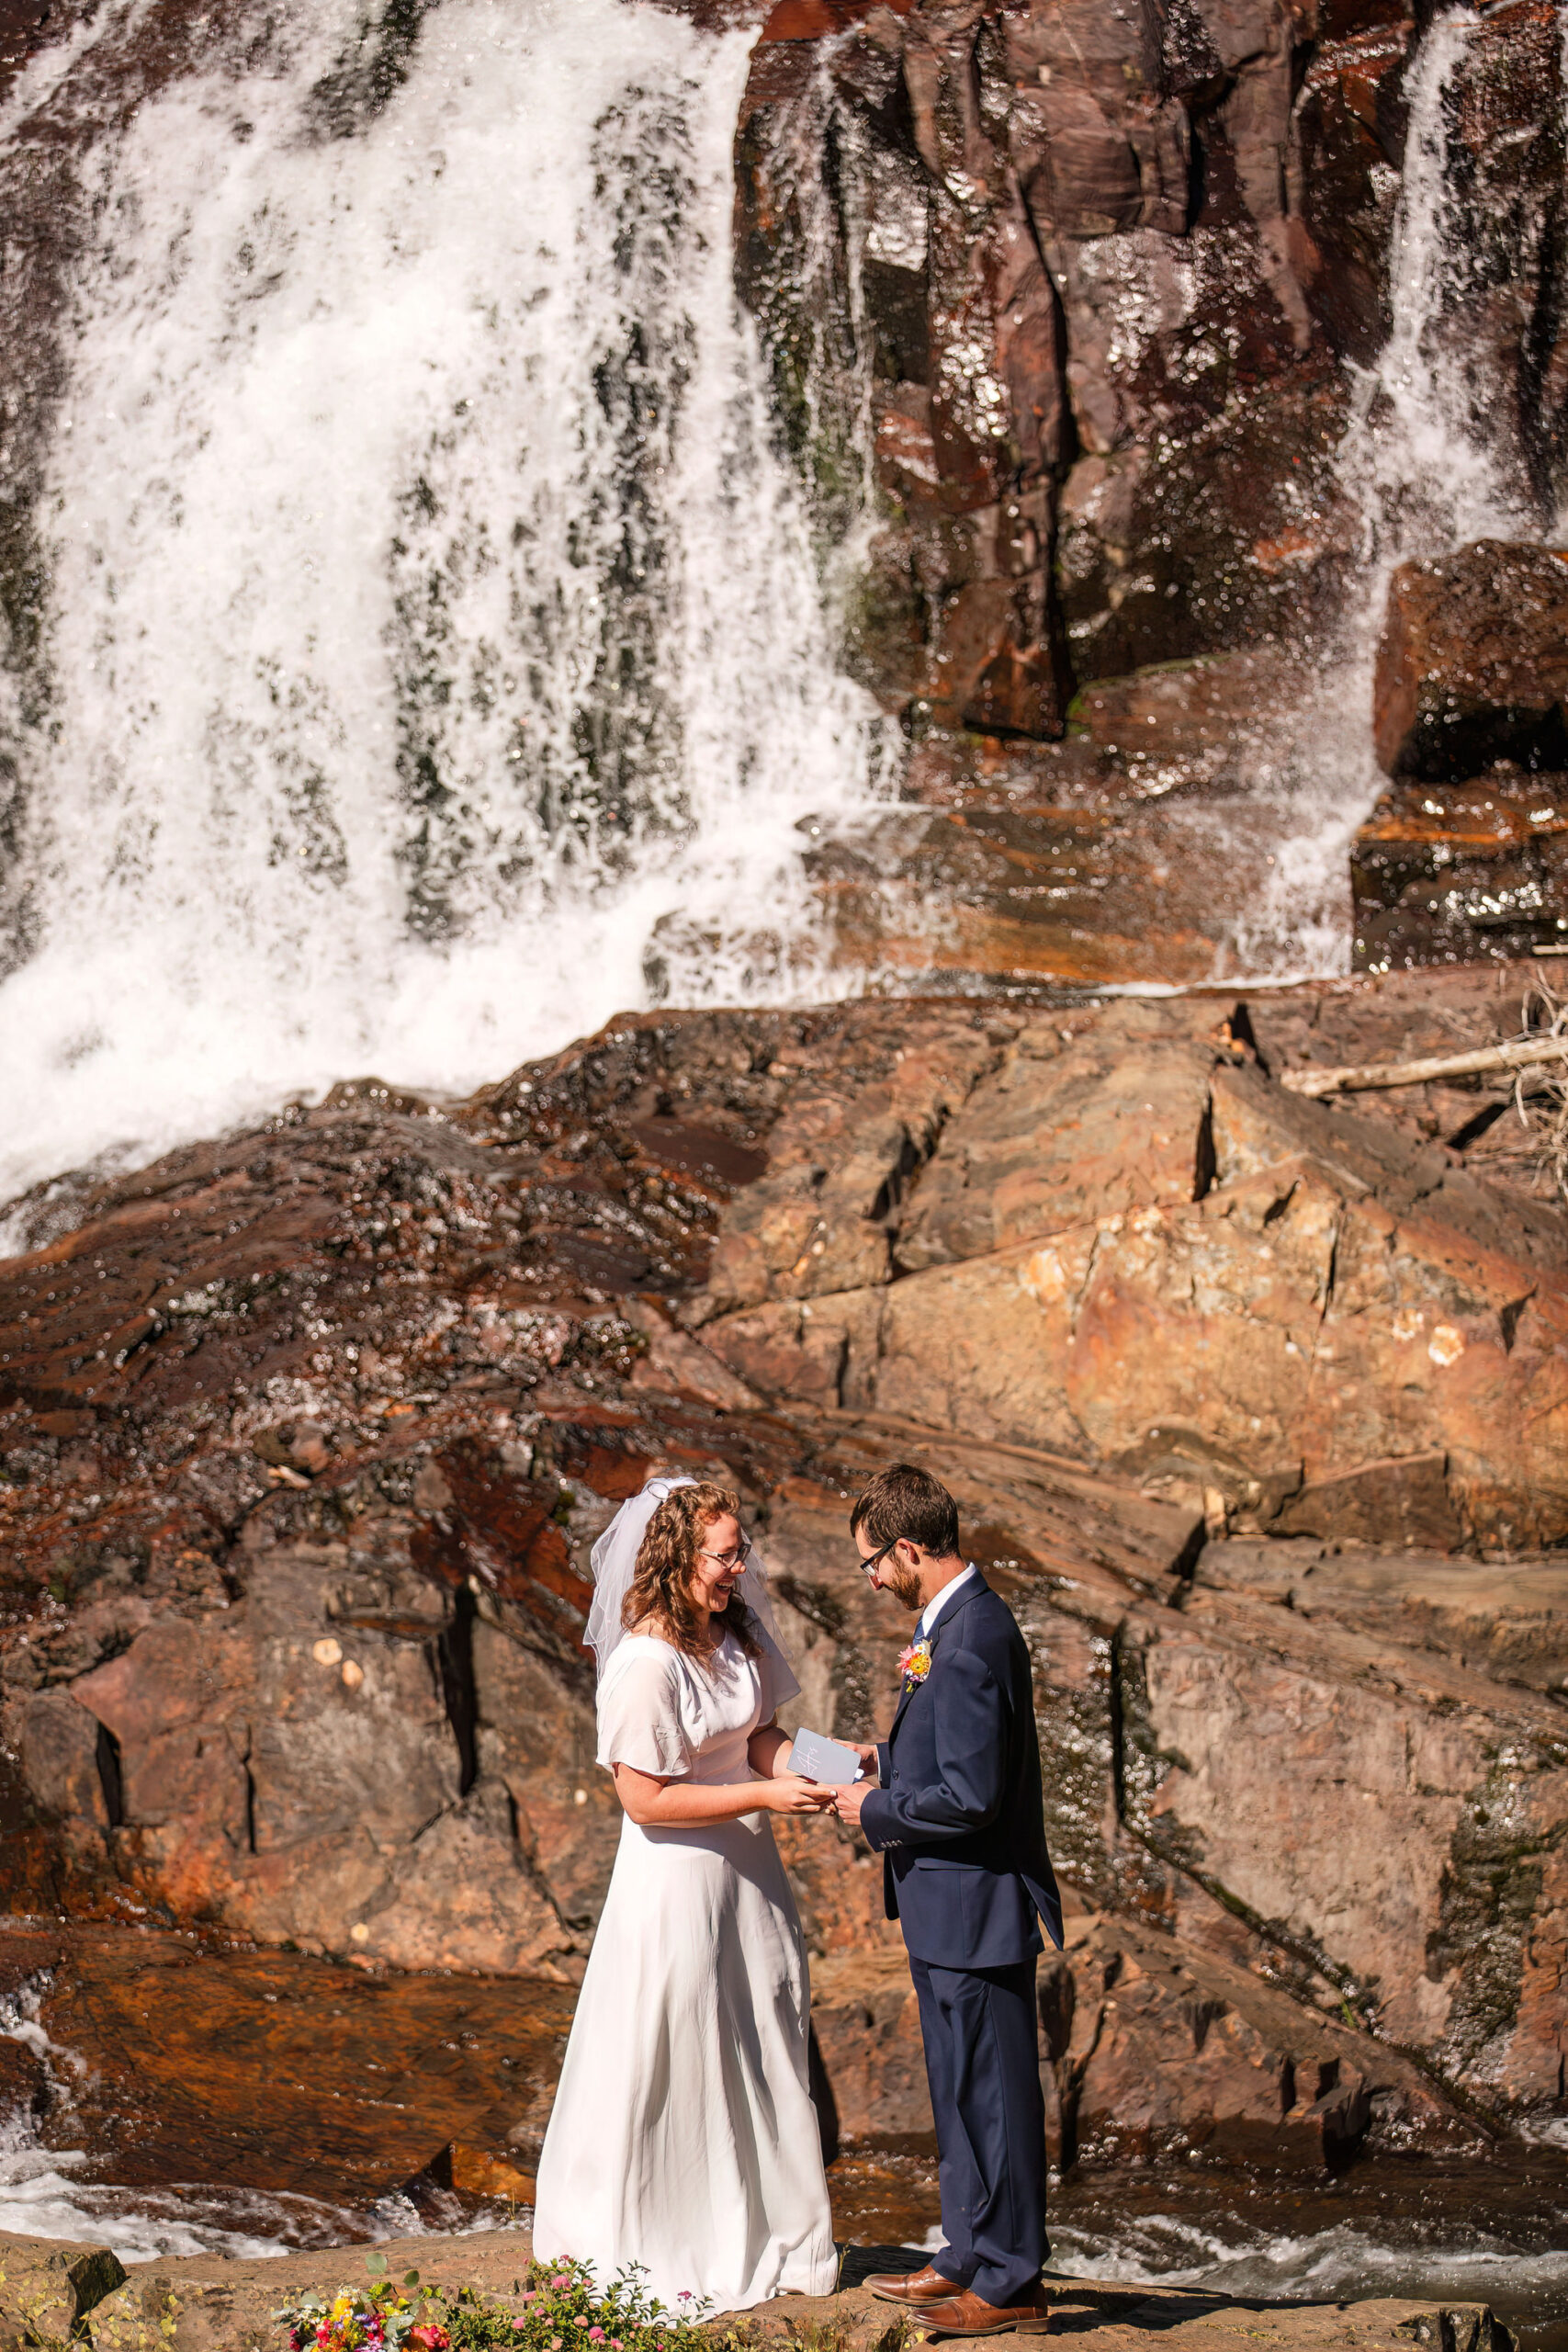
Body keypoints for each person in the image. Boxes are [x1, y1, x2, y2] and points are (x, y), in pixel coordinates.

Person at [531, 1475, 839, 2312]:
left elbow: (761, 1738)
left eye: (742, 1550)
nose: (741, 1566)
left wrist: (840, 1767)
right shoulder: (643, 1662)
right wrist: (763, 1797)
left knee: (761, 2037)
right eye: (724, 1554)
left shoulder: (734, 1635)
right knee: (677, 2049)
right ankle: (664, 2236)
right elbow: (646, 1800)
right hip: (676, 1885)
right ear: (678, 1557)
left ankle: (770, 2230)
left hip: (749, 1881)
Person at [831, 1464, 1063, 2340]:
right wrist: (881, 1765)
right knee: (958, 2090)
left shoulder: (970, 1637)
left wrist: (875, 1810)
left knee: (994, 2097)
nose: (871, 1580)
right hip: (942, 1911)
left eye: (871, 1564)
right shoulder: (953, 1624)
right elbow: (956, 1759)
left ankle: (1012, 2284)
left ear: (907, 1548)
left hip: (976, 1912)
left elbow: (973, 1798)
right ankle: (967, 2251)